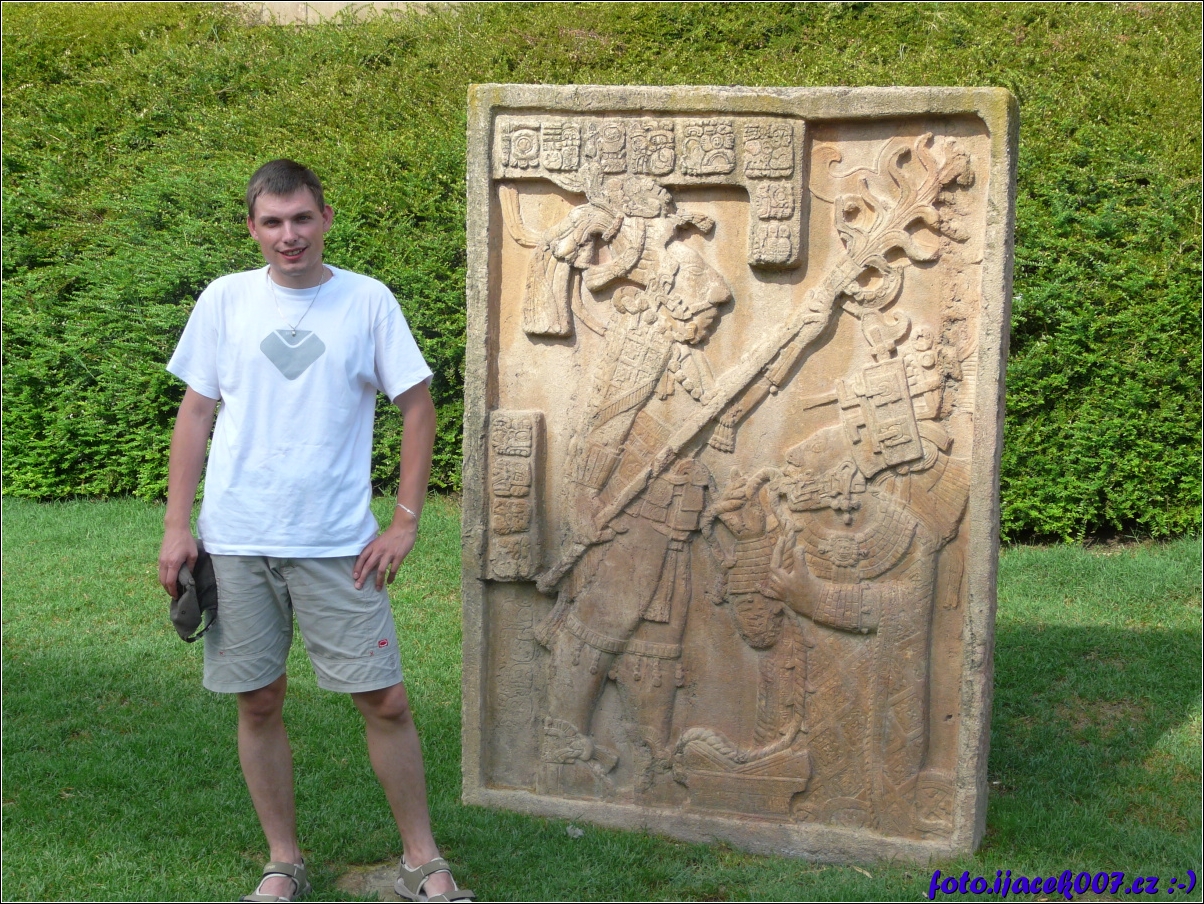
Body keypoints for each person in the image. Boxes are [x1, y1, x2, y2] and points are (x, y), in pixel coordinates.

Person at [157, 159, 473, 903]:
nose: (289, 235)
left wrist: (404, 522)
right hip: (238, 540)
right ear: (252, 228)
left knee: (385, 701)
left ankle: (423, 862)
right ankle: (283, 862)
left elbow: (418, 409)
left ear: (325, 218)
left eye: (302, 218)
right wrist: (177, 525)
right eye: (272, 222)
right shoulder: (225, 299)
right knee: (258, 700)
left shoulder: (367, 301)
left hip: (339, 545)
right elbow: (196, 414)